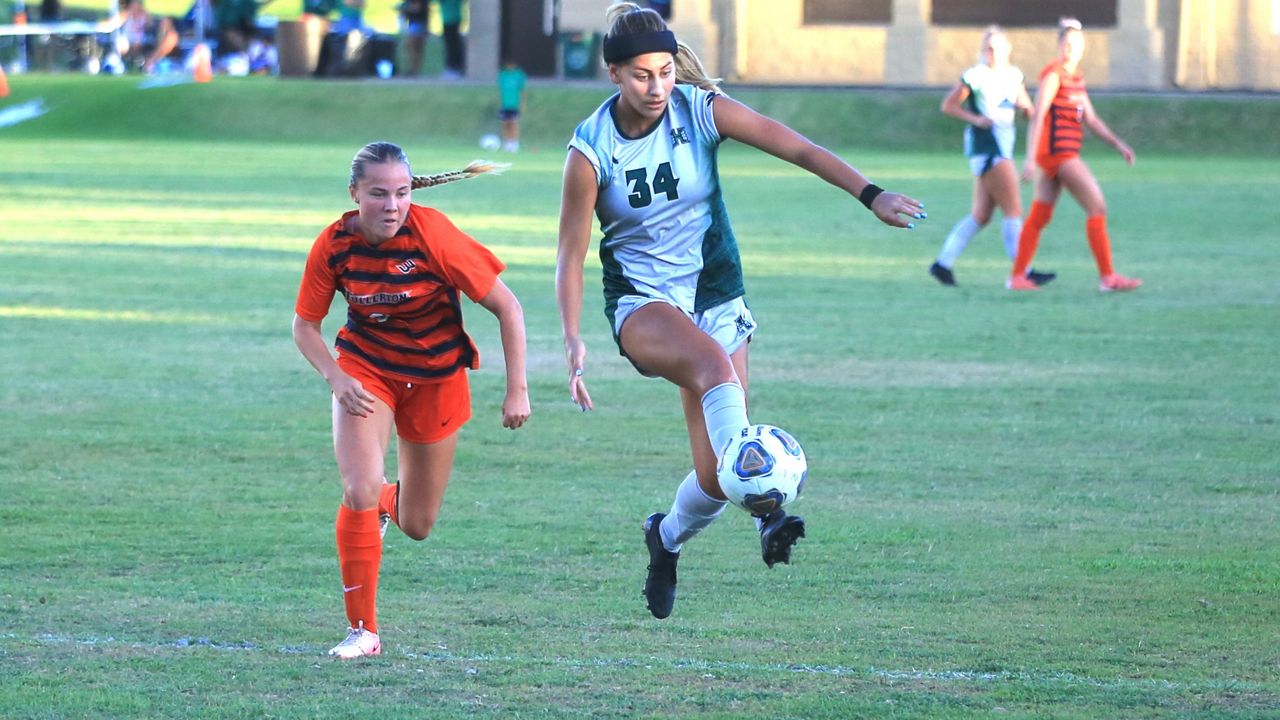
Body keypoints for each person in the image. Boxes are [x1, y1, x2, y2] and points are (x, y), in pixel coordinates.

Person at [555, 2, 924, 620]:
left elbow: (797, 148)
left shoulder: (699, 112)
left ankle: (664, 539)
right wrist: (571, 338)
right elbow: (569, 254)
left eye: (667, 72)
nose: (657, 87)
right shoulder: (591, 149)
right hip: (644, 302)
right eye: (642, 74)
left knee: (717, 477)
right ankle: (771, 514)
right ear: (614, 73)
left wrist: (871, 194)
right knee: (713, 371)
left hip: (716, 293)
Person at [293, 142, 531, 659]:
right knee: (358, 485)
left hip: (436, 379)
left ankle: (384, 503)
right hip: (367, 369)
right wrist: (336, 377)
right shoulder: (333, 246)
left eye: (400, 193)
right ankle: (364, 631)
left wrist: (518, 389)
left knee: (418, 524)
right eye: (378, 194)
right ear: (355, 193)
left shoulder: (433, 235)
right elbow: (304, 327)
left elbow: (507, 307)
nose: (391, 205)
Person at [1007, 17, 1141, 293]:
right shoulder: (1053, 75)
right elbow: (1038, 115)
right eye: (1066, 44)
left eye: (1075, 45)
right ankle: (1108, 278)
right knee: (1097, 207)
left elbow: (1091, 119)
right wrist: (1030, 159)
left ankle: (1017, 277)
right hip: (1059, 154)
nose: (1070, 49)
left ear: (1082, 49)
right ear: (1059, 46)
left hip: (1059, 155)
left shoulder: (1076, 79)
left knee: (1040, 215)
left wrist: (1119, 145)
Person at [930, 26, 1054, 288]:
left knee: (981, 215)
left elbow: (1027, 108)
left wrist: (1026, 108)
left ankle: (942, 264)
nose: (992, 53)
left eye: (997, 48)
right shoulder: (976, 76)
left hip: (1002, 147)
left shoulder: (1012, 75)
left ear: (1007, 50)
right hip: (988, 148)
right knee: (1014, 210)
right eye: (988, 48)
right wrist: (976, 119)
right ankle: (1023, 271)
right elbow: (948, 105)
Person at [497, 57, 526, 153]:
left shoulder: (518, 75)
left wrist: (522, 104)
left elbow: (522, 90)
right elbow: (500, 90)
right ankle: (507, 143)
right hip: (505, 104)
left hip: (514, 104)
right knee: (505, 123)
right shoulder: (503, 75)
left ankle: (514, 143)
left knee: (514, 123)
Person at [398, 0, 429, 76]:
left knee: (414, 48)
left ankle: (415, 70)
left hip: (418, 24)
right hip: (414, 24)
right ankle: (413, 69)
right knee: (411, 48)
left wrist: (404, 9)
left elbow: (416, 8)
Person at [438, 0, 464, 78]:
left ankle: (453, 68)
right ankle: (453, 67)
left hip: (451, 20)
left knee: (452, 45)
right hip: (450, 20)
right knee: (451, 44)